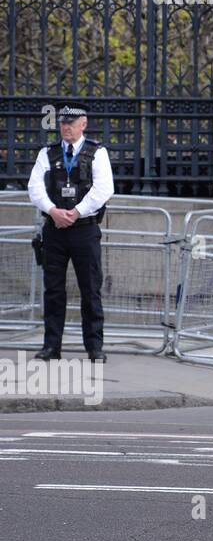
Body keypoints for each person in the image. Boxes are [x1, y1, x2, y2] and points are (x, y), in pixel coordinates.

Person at [27, 106, 115, 362]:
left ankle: (94, 347)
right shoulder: (48, 153)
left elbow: (103, 189)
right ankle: (51, 346)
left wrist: (76, 212)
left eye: (71, 122)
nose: (66, 127)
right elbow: (35, 187)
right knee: (53, 290)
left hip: (84, 230)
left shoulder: (97, 153)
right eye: (63, 123)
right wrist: (53, 210)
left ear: (83, 124)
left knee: (90, 290)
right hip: (54, 230)